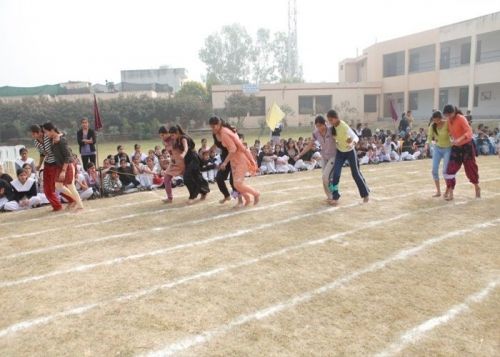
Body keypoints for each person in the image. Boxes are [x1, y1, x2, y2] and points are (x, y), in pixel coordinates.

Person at [209, 116, 259, 207]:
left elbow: (233, 149)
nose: (212, 129)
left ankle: (254, 194)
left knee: (237, 183)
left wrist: (224, 163)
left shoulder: (224, 133)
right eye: (211, 127)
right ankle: (246, 198)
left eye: (213, 126)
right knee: (234, 183)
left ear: (219, 124)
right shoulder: (222, 131)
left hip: (238, 158)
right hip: (233, 159)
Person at [326, 109, 369, 206]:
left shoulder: (344, 126)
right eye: (328, 120)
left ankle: (365, 194)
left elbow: (356, 137)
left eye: (331, 120)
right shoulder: (332, 127)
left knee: (356, 174)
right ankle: (335, 196)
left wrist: (352, 143)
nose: (330, 122)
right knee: (336, 175)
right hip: (340, 153)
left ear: (336, 118)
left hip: (350, 152)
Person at [294, 115, 337, 202]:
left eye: (320, 125)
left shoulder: (331, 130)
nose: (319, 128)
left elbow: (339, 140)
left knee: (327, 177)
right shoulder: (315, 133)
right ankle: (329, 196)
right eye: (317, 126)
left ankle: (334, 196)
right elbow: (310, 145)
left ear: (325, 124)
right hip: (324, 157)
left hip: (333, 156)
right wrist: (299, 155)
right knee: (324, 177)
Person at [42, 122, 84, 211]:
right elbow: (60, 133)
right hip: (59, 166)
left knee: (70, 185)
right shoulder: (52, 139)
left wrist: (64, 171)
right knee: (58, 185)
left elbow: (68, 156)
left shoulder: (62, 140)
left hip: (67, 165)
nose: (45, 134)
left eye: (46, 132)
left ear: (52, 130)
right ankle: (76, 200)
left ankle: (80, 206)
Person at [442, 104, 480, 201]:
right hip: (456, 147)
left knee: (470, 168)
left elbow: (469, 132)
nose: (447, 117)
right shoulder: (448, 121)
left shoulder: (461, 118)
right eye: (446, 115)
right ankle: (450, 191)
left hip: (467, 146)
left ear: (454, 112)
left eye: (449, 115)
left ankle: (477, 187)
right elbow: (447, 131)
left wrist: (460, 139)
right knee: (450, 169)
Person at [169, 125, 209, 204]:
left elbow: (186, 148)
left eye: (173, 135)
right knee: (196, 176)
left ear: (177, 133)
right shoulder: (177, 140)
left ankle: (193, 196)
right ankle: (204, 191)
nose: (172, 137)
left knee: (187, 177)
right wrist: (174, 158)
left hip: (193, 159)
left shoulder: (184, 138)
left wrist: (183, 154)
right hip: (187, 160)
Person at [30, 124, 64, 211]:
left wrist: (59, 135)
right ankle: (57, 206)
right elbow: (42, 154)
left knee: (56, 186)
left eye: (33, 134)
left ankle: (71, 200)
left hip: (55, 163)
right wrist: (39, 164)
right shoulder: (36, 142)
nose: (32, 136)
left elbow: (60, 134)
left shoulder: (47, 136)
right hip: (47, 163)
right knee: (46, 188)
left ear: (39, 132)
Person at [424, 110, 451, 197]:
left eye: (437, 120)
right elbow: (429, 137)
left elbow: (452, 134)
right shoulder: (432, 125)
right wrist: (427, 144)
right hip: (437, 148)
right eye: (434, 120)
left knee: (445, 171)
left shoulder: (447, 123)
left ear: (441, 118)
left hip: (447, 149)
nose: (436, 122)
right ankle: (438, 191)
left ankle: (448, 189)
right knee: (434, 171)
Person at [159, 126, 185, 203]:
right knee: (166, 178)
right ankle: (169, 198)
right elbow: (171, 153)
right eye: (160, 136)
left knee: (190, 177)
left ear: (168, 133)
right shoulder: (164, 142)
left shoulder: (175, 139)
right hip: (173, 162)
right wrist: (169, 160)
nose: (162, 137)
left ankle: (202, 190)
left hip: (182, 161)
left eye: (163, 135)